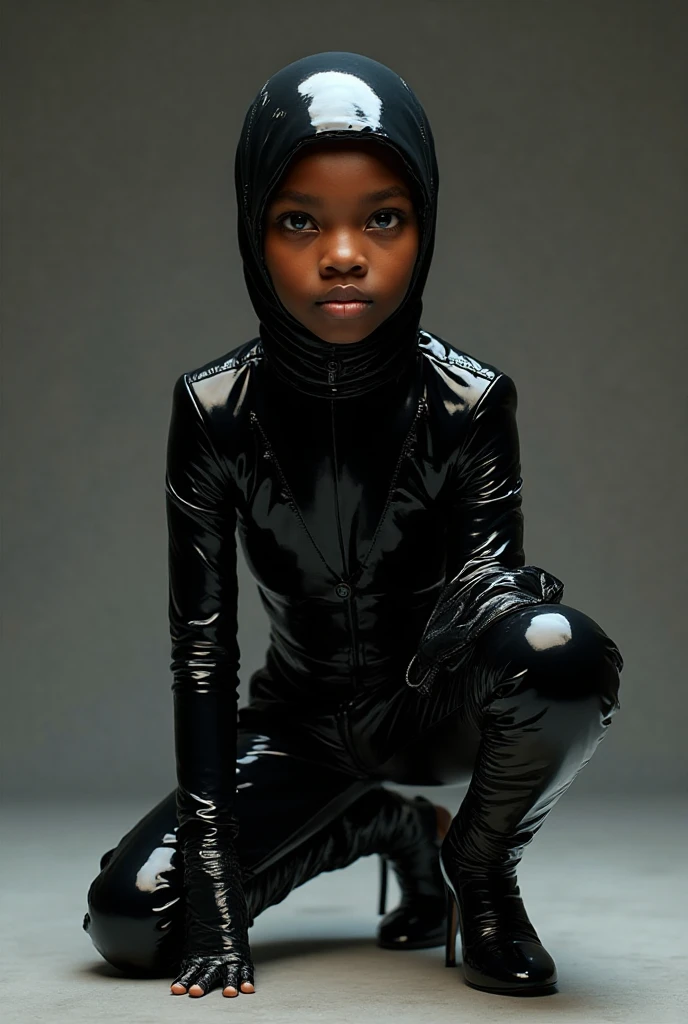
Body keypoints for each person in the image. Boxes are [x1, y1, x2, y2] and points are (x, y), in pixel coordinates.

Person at [82, 51, 623, 1001]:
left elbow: (498, 586)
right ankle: (387, 828)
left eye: (382, 218)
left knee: (560, 651)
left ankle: (481, 872)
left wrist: (499, 601)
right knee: (134, 923)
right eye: (300, 220)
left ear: (424, 228)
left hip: (431, 707)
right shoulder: (213, 410)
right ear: (254, 230)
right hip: (299, 727)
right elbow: (202, 653)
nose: (342, 253)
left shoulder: (470, 401)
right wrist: (212, 881)